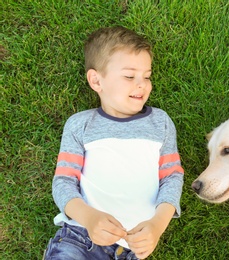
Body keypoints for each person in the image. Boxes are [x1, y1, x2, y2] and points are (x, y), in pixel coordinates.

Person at [44, 26, 184, 260]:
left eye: (147, 76)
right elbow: (63, 181)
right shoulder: (80, 125)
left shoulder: (160, 123)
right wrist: (89, 218)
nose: (142, 84)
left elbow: (172, 176)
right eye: (129, 76)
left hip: (134, 248)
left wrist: (158, 225)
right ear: (96, 80)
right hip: (80, 239)